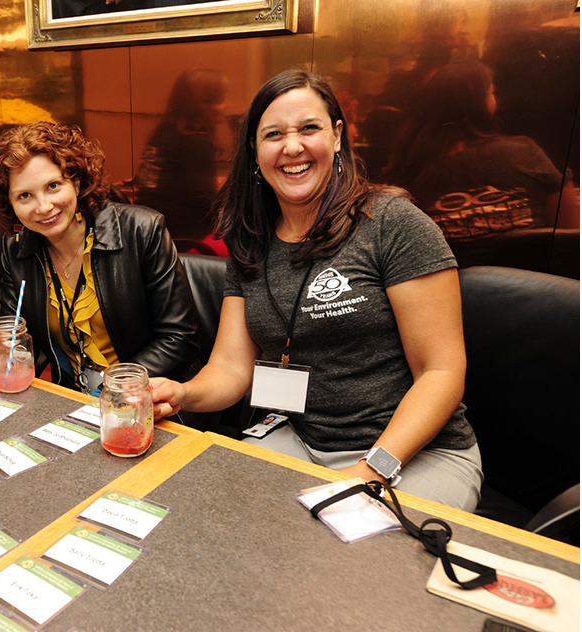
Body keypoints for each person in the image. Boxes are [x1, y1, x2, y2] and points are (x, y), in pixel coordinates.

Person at [150, 70, 482, 511]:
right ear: (254, 150)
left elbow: (441, 372)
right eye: (273, 134)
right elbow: (231, 367)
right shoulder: (252, 241)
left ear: (338, 136)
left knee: (344, 564)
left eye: (309, 128)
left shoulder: (393, 225)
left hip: (414, 454)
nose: (292, 147)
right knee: (212, 517)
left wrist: (371, 469)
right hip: (299, 440)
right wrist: (184, 393)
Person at [0, 122, 200, 396]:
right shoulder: (18, 248)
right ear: (10, 203)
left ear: (76, 182)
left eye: (53, 186)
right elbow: (13, 333)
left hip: (152, 396)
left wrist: (110, 388)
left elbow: (180, 339)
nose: (43, 207)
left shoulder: (142, 230)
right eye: (25, 196)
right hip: (73, 398)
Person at [381, 61, 566, 266]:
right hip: (540, 290)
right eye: (491, 94)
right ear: (481, 104)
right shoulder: (525, 153)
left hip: (453, 294)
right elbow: (568, 238)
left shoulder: (406, 172)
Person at [135, 68, 229, 249]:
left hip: (150, 232)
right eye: (221, 100)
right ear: (202, 105)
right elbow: (206, 208)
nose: (228, 104)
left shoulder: (164, 132)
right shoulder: (195, 143)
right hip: (183, 238)